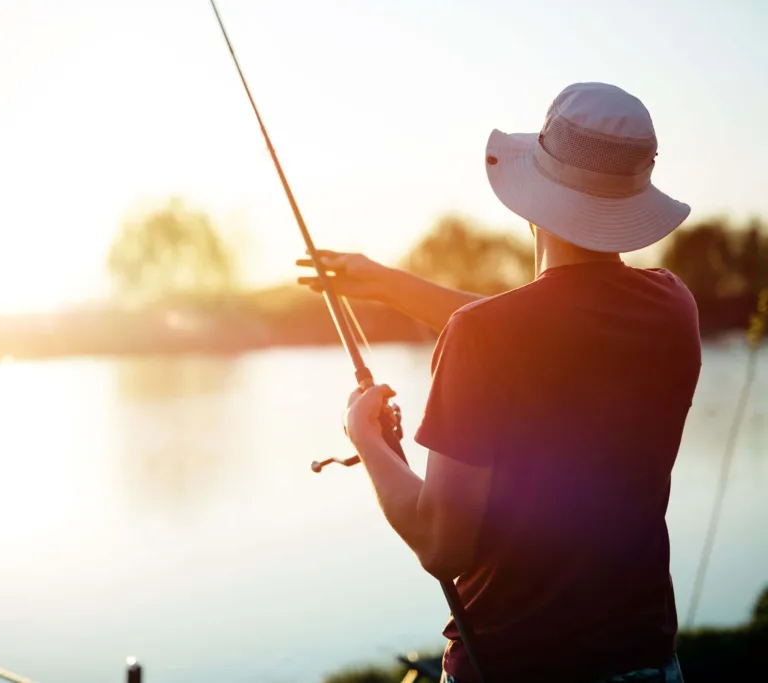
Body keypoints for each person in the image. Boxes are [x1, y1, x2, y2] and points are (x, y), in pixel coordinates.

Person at [297, 83, 701, 682]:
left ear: (532, 198)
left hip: (514, 666)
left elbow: (441, 545)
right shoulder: (672, 306)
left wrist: (368, 442)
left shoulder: (485, 336)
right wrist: (385, 283)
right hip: (646, 662)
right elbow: (539, 328)